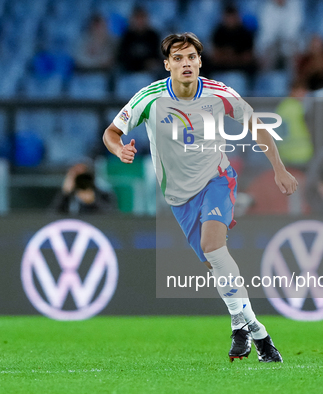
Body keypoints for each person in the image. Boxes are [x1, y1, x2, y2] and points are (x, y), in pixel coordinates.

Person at [103, 33, 298, 363]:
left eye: (191, 57)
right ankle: (257, 332)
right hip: (179, 197)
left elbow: (257, 125)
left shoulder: (219, 93)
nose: (186, 63)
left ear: (200, 61)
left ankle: (242, 328)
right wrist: (119, 148)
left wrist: (278, 168)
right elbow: (111, 132)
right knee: (215, 264)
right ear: (167, 66)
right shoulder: (149, 98)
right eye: (177, 59)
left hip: (217, 179)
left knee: (213, 246)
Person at [50, 162, 116, 215]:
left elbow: (110, 217)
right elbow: (51, 215)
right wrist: (65, 194)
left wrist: (93, 202)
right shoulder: (67, 194)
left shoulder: (102, 193)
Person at [210, 5, 255, 75]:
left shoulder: (245, 32)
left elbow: (248, 56)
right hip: (222, 66)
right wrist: (226, 56)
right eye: (228, 17)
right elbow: (215, 55)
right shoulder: (219, 32)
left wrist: (234, 57)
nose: (231, 20)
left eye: (233, 17)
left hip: (240, 66)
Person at [116, 7, 161, 73]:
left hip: (148, 73)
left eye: (142, 18)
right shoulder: (127, 36)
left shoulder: (153, 36)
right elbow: (122, 58)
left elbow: (156, 58)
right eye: (137, 18)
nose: (140, 21)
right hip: (129, 73)